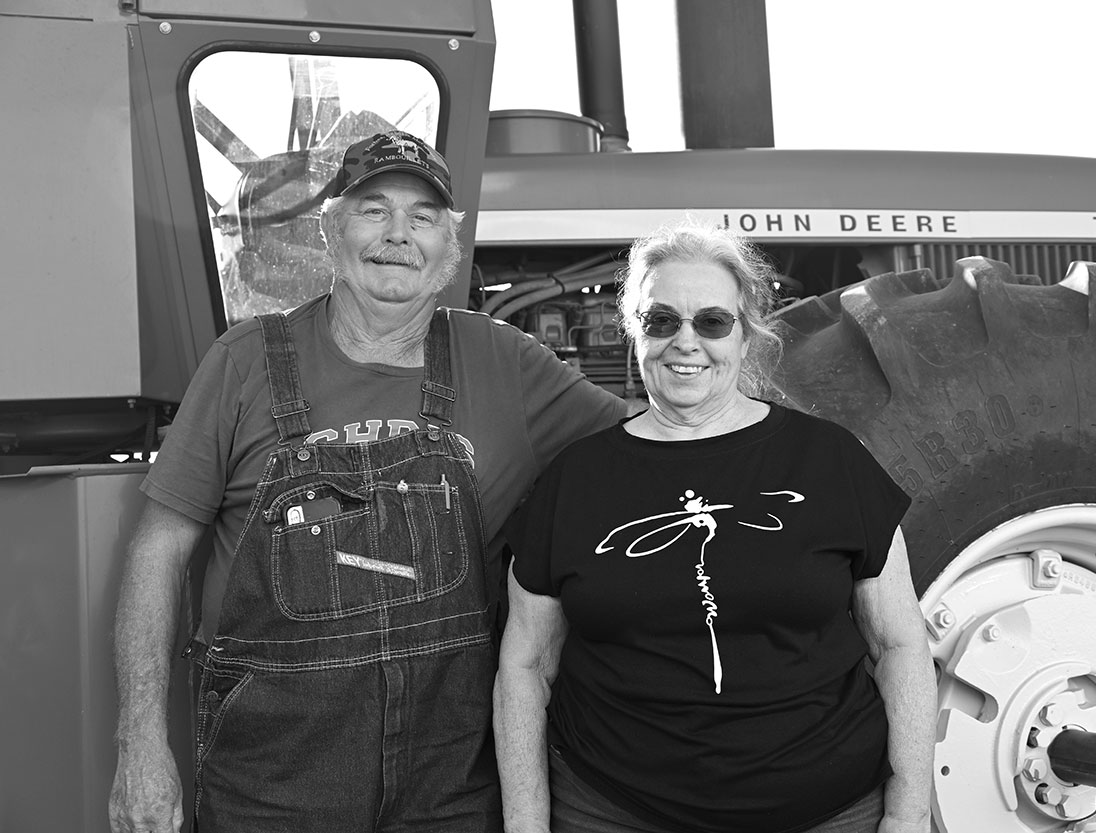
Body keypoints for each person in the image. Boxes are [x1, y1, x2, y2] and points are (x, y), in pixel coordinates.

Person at [109, 131, 629, 833]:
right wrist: (140, 741)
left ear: (451, 245)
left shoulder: (507, 360)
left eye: (422, 217)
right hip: (272, 780)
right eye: (372, 209)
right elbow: (159, 550)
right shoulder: (245, 361)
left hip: (449, 780)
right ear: (330, 231)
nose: (398, 234)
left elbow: (660, 441)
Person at [495, 223, 937, 833]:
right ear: (634, 331)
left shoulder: (829, 461)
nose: (686, 342)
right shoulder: (575, 479)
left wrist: (910, 812)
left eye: (711, 322)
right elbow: (524, 665)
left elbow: (900, 642)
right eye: (660, 321)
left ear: (746, 331)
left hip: (825, 810)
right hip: (616, 809)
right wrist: (525, 825)